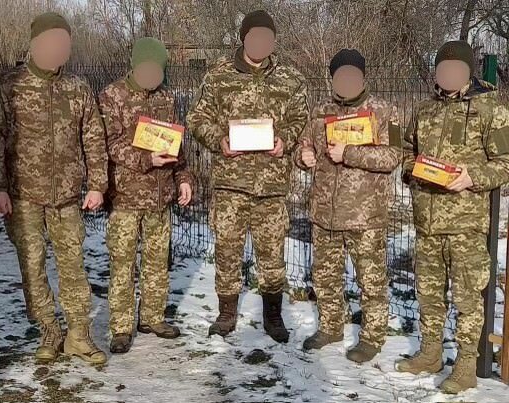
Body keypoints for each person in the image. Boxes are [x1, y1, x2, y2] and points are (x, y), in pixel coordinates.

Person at [186, 10, 308, 343]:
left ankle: (273, 315)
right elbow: (197, 119)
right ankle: (226, 314)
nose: (261, 43)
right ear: (243, 39)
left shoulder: (290, 78)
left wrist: (286, 139)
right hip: (230, 184)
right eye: (254, 37)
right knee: (227, 251)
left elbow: (300, 118)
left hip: (271, 185)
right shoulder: (218, 76)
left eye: (267, 37)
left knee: (272, 254)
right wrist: (218, 141)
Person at [397, 40, 509, 394]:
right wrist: (409, 170)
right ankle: (430, 353)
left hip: (466, 224)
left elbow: (505, 162)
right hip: (426, 222)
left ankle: (465, 365)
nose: (448, 74)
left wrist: (472, 177)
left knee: (466, 298)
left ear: (468, 71)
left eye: (455, 69)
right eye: (442, 69)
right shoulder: (424, 110)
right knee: (428, 294)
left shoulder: (491, 108)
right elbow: (405, 149)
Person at [0, 12, 108, 364]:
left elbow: (93, 138)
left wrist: (98, 185)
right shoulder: (9, 85)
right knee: (32, 268)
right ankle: (48, 331)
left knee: (73, 266)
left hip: (66, 197)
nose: (58, 48)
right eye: (51, 41)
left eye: (64, 42)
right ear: (34, 44)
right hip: (22, 195)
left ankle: (78, 336)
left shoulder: (78, 87)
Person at [295, 49, 401, 362]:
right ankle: (330, 326)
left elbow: (394, 156)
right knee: (325, 275)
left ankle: (372, 337)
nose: (346, 81)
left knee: (370, 279)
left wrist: (351, 154)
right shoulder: (320, 110)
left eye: (352, 75)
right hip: (325, 213)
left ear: (363, 76)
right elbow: (303, 145)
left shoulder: (385, 111)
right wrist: (303, 157)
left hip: (364, 216)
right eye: (340, 75)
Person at [99, 37, 194, 354]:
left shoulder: (167, 98)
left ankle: (152, 317)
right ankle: (122, 328)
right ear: (136, 65)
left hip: (160, 197)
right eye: (147, 67)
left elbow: (177, 145)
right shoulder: (113, 96)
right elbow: (108, 144)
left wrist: (183, 178)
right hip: (125, 197)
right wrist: (144, 160)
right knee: (122, 265)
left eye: (158, 69)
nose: (153, 74)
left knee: (157, 262)